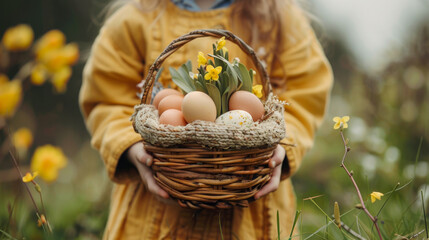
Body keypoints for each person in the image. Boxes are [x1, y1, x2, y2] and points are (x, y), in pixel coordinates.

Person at [79, 0, 333, 239]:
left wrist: (281, 148)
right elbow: (107, 100)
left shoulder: (280, 20)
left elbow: (304, 95)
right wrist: (132, 147)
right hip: (152, 213)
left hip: (254, 212)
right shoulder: (135, 20)